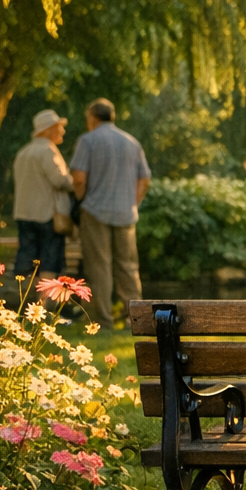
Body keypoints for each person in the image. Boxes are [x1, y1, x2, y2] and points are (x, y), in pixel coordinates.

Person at [69, 98, 151, 327]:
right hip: (126, 213)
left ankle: (102, 321)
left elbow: (78, 178)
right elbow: (145, 179)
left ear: (93, 117)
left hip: (95, 211)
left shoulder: (87, 141)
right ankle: (136, 321)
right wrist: (132, 202)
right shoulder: (132, 142)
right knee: (128, 267)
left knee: (99, 267)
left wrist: (80, 199)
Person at [12, 109, 75, 286]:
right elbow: (59, 180)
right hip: (47, 215)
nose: (62, 131)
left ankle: (23, 303)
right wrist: (76, 184)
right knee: (50, 259)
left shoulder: (24, 152)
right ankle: (44, 307)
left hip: (24, 213)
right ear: (47, 130)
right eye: (58, 127)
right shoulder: (48, 151)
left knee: (26, 258)